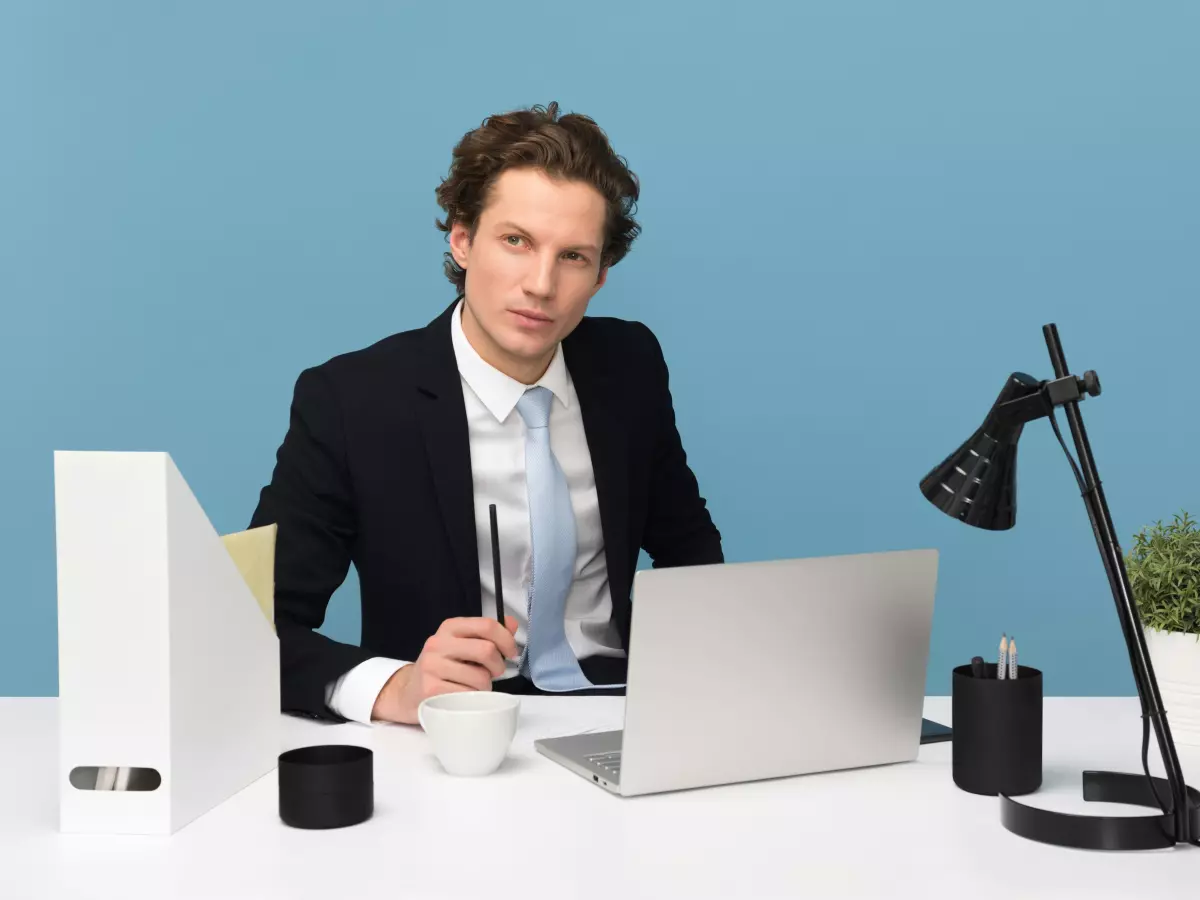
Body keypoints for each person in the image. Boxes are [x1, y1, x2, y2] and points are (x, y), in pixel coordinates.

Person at [250, 101, 723, 725]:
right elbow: (253, 629)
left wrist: (703, 681)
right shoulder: (350, 400)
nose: (541, 284)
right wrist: (395, 688)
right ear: (463, 239)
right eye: (516, 241)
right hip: (451, 731)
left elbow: (692, 553)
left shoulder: (629, 365)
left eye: (574, 256)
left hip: (623, 712)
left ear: (601, 276)